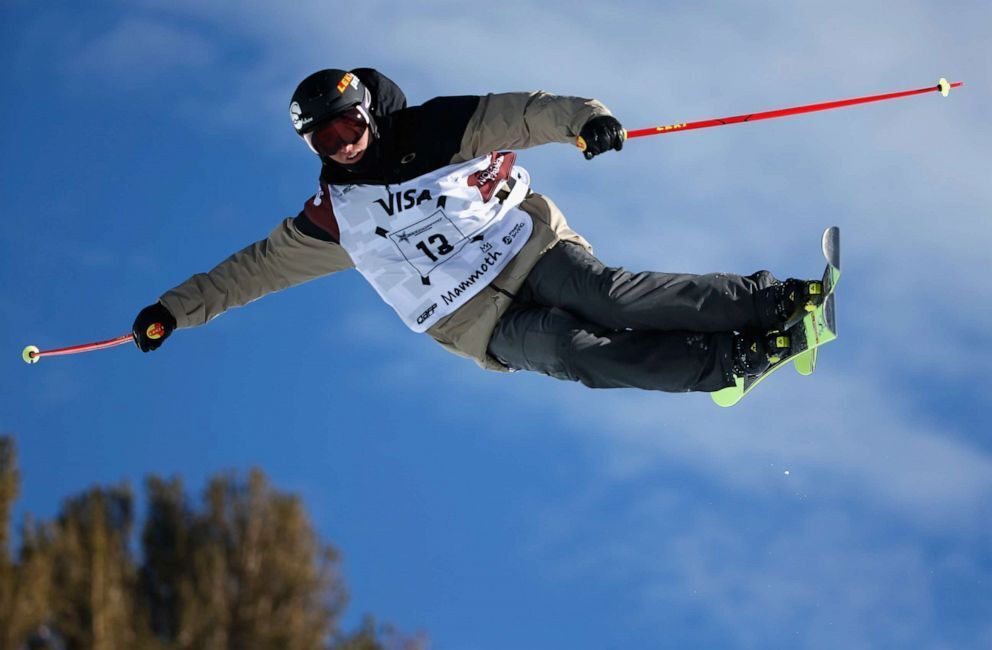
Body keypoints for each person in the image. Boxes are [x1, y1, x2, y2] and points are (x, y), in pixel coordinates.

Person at [132, 68, 823, 393]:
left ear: (368, 113)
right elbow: (251, 271)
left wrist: (586, 120)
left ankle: (774, 301)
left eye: (346, 127)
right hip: (468, 318)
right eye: (323, 141)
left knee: (612, 298)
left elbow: (525, 113)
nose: (341, 146)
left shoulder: (436, 127)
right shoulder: (337, 215)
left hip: (524, 249)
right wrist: (172, 311)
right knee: (577, 352)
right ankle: (732, 361)